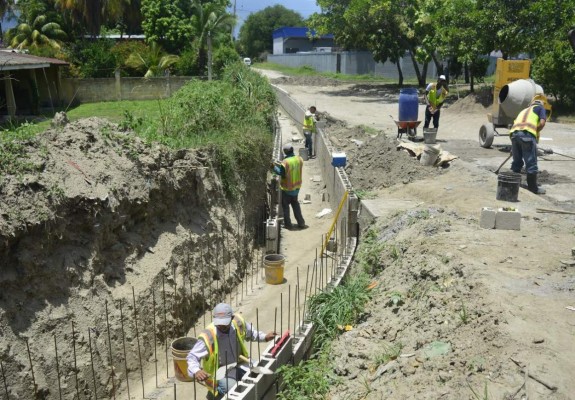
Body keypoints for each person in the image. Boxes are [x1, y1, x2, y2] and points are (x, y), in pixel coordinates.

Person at [187, 303, 276, 399]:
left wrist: (264, 337)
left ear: (232, 318)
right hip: (221, 373)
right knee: (234, 390)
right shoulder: (208, 336)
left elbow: (251, 333)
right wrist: (196, 371)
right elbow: (192, 356)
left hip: (241, 363)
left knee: (259, 376)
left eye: (225, 323)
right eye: (219, 323)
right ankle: (219, 390)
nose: (221, 326)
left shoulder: (238, 323)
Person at [508, 95, 548, 194]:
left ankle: (515, 184)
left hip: (514, 135)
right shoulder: (540, 108)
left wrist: (514, 148)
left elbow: (516, 126)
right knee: (531, 163)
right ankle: (533, 188)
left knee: (516, 162)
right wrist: (534, 132)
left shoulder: (523, 110)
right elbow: (542, 123)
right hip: (527, 135)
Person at [272, 144, 307, 230]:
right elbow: (292, 167)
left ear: (285, 152)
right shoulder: (299, 159)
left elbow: (281, 172)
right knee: (295, 205)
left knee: (286, 207)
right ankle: (301, 223)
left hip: (287, 188)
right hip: (296, 188)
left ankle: (288, 224)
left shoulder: (286, 162)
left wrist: (274, 167)